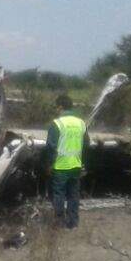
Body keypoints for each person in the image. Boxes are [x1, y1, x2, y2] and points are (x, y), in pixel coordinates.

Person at [46, 93, 90, 229]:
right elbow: (86, 144)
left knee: (59, 194)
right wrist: (83, 164)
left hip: (60, 167)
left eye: (56, 107)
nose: (56, 110)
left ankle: (59, 222)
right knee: (73, 195)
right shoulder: (81, 123)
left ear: (60, 107)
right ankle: (73, 223)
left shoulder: (57, 124)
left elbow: (51, 147)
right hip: (76, 166)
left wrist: (49, 164)